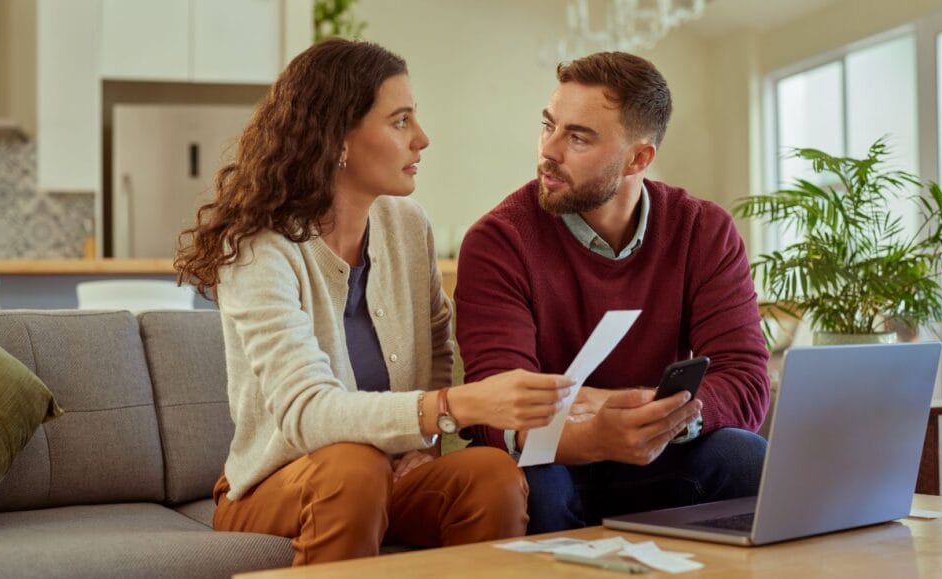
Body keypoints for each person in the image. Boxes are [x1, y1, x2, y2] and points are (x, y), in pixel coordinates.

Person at [174, 38, 572, 565]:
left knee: (493, 477)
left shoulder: (407, 225)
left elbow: (435, 346)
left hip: (391, 474)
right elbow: (306, 411)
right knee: (352, 469)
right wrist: (453, 407)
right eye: (401, 121)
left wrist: (424, 445)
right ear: (338, 137)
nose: (422, 140)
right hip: (280, 483)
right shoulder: (259, 249)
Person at [454, 51, 770, 534]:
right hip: (550, 458)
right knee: (534, 485)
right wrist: (595, 433)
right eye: (549, 126)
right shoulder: (499, 240)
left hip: (661, 455)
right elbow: (494, 407)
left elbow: (746, 379)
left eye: (577, 137)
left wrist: (644, 415)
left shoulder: (702, 229)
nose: (549, 151)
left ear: (638, 158)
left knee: (747, 459)